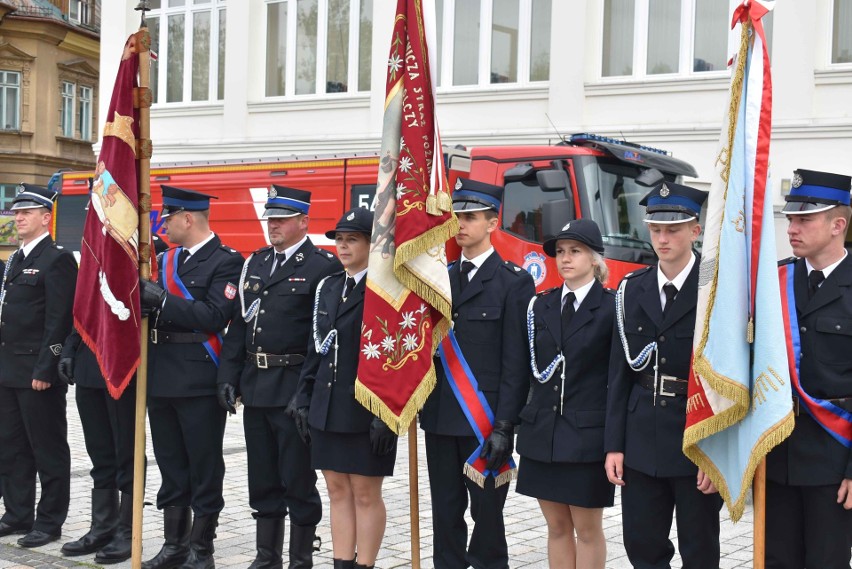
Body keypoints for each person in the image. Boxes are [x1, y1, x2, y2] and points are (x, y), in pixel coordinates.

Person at [217, 185, 341, 569]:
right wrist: (229, 375)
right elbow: (241, 323)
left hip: (292, 386)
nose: (274, 225)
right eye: (271, 218)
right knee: (263, 476)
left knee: (298, 479)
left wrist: (307, 392)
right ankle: (266, 557)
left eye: (282, 220)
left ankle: (300, 558)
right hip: (256, 385)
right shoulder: (254, 263)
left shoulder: (323, 267)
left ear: (304, 222)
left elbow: (321, 337)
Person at [604, 181, 721, 568]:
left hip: (695, 438)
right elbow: (618, 374)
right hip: (641, 440)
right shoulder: (630, 289)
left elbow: (728, 378)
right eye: (656, 229)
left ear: (695, 230)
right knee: (642, 546)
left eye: (673, 228)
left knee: (699, 548)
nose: (663, 238)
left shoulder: (716, 289)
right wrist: (614, 445)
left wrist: (717, 453)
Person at [420, 178, 536, 569]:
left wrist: (505, 424)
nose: (461, 224)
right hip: (439, 417)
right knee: (445, 516)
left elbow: (515, 363)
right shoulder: (439, 279)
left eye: (471, 217)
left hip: (483, 423)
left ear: (492, 222)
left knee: (487, 519)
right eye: (458, 217)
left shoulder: (513, 282)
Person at [140, 186, 243, 569]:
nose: (163, 223)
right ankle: (174, 546)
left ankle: (202, 548)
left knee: (203, 464)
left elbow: (216, 316)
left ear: (188, 218)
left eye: (168, 217)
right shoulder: (164, 259)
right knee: (170, 463)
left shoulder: (226, 261)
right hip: (161, 374)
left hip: (199, 377)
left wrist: (163, 301)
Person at [291, 207, 397, 569]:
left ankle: (364, 563)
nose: (343, 246)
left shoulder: (387, 289)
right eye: (339, 239)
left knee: (365, 493)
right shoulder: (330, 286)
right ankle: (341, 562)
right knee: (336, 489)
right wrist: (303, 398)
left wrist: (387, 413)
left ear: (373, 243)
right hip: (327, 404)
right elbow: (315, 348)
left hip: (367, 408)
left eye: (352, 239)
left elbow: (396, 357)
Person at [516, 218, 615, 569]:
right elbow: (526, 370)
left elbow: (617, 379)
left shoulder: (610, 308)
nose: (565, 259)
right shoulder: (540, 305)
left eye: (575, 251)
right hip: (542, 433)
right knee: (556, 527)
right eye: (560, 252)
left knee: (587, 530)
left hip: (586, 436)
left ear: (594, 258)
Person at [766, 169, 852, 568]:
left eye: (805, 219)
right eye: (790, 218)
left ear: (838, 225)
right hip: (777, 455)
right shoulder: (774, 280)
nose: (792, 228)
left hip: (834, 460)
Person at [0, 184, 77, 547]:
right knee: (11, 446)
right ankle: (17, 514)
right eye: (16, 213)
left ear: (46, 218)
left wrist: (47, 368)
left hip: (36, 373)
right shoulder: (15, 259)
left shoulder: (57, 259)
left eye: (26, 213)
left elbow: (59, 319)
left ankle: (49, 522)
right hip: (7, 370)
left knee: (47, 448)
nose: (18, 218)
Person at [56, 329, 138, 563]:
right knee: (99, 454)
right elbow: (83, 313)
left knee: (127, 454)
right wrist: (70, 349)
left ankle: (128, 531)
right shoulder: (88, 287)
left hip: (122, 366)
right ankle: (103, 526)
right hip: (88, 364)